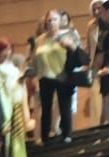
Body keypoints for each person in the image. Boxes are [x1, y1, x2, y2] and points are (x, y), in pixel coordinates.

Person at [33, 10, 85, 141]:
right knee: (46, 108)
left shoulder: (68, 35)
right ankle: (45, 136)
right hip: (45, 76)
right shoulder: (40, 40)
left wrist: (70, 45)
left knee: (64, 105)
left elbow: (80, 54)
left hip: (63, 75)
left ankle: (67, 134)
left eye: (54, 20)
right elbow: (34, 58)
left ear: (59, 21)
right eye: (49, 20)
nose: (51, 23)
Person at [0, 39, 31, 157]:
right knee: (5, 133)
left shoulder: (12, 66)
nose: (6, 53)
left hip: (16, 101)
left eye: (8, 50)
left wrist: (22, 79)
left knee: (18, 133)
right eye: (3, 50)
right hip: (4, 103)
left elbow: (16, 83)